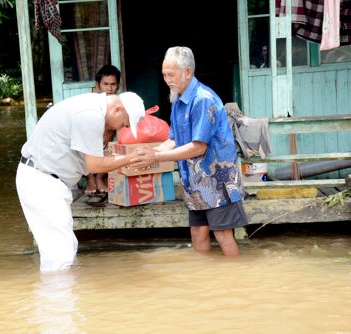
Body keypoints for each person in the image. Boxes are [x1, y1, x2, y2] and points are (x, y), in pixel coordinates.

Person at [131, 46, 248, 256]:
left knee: (222, 234)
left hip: (217, 180)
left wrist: (156, 156)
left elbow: (198, 146)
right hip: (193, 181)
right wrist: (151, 153)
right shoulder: (177, 98)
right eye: (164, 75)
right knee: (197, 230)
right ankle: (202, 279)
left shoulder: (203, 99)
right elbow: (174, 139)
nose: (167, 79)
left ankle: (235, 279)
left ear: (188, 72)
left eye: (171, 74)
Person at [16, 92, 146, 272]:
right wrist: (131, 158)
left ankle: (61, 297)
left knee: (65, 249)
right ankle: (57, 297)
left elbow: (93, 157)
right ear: (117, 109)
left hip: (47, 180)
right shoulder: (90, 115)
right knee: (59, 256)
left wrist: (124, 156)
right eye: (124, 123)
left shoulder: (92, 108)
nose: (121, 128)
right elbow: (95, 165)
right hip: (41, 180)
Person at [84, 64, 122, 194]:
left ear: (118, 85)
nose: (109, 88)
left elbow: (121, 133)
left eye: (113, 84)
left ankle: (100, 178)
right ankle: (90, 180)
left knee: (116, 148)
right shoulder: (89, 103)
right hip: (87, 147)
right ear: (98, 85)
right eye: (105, 84)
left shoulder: (119, 105)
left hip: (106, 147)